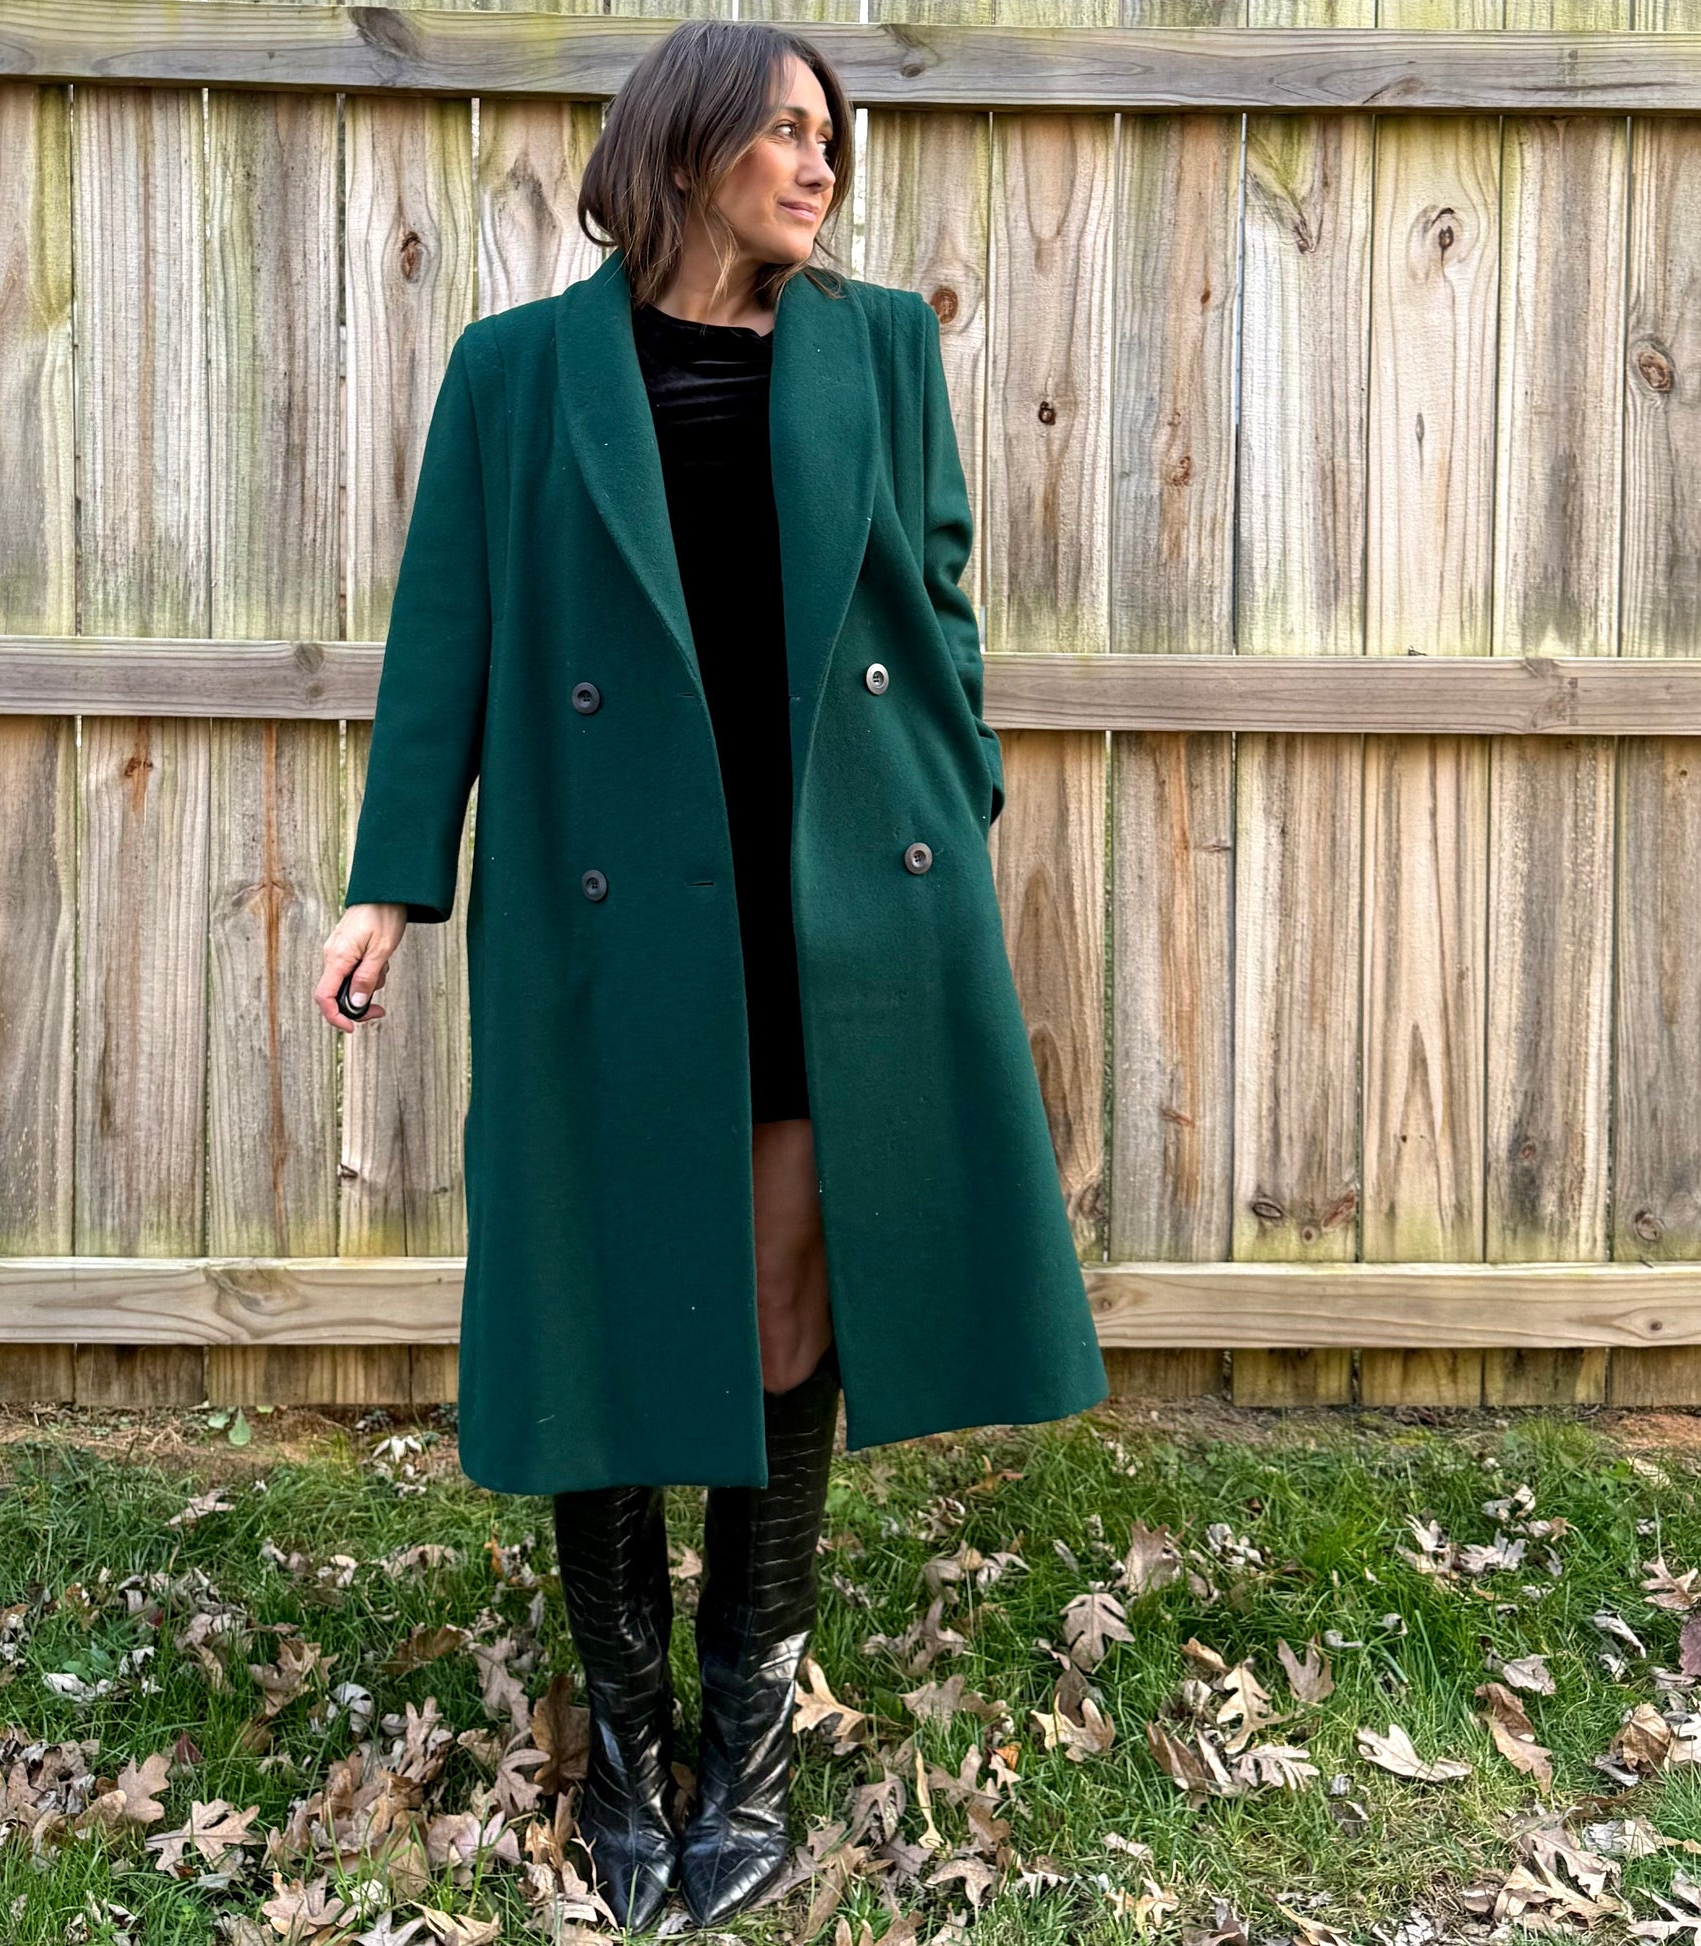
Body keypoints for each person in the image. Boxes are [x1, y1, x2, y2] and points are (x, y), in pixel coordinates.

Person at [313, 17, 1109, 1931]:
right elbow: (446, 634)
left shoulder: (878, 346)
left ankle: (738, 1748)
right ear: (681, 152)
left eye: (831, 136)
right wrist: (388, 884)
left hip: (831, 896)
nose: (820, 165)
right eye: (785, 133)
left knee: (777, 1305)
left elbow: (934, 591)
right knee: (598, 1300)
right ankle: (624, 1734)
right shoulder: (515, 373)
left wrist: (954, 783)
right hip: (606, 905)